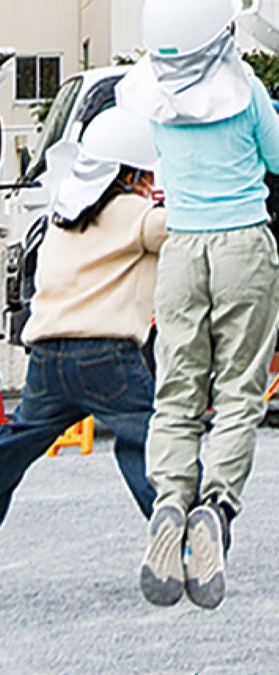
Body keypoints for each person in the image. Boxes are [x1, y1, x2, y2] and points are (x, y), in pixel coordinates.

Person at [118, 0, 279, 611]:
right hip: (243, 243)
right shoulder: (244, 89)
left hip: (181, 248)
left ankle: (168, 501)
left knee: (177, 391)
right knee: (237, 391)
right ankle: (216, 509)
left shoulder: (151, 96)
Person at [0, 107, 162, 532]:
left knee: (18, 443)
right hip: (106, 355)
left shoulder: (63, 214)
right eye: (145, 175)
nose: (150, 185)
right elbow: (182, 229)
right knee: (148, 443)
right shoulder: (135, 214)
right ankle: (181, 537)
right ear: (125, 176)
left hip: (47, 355)